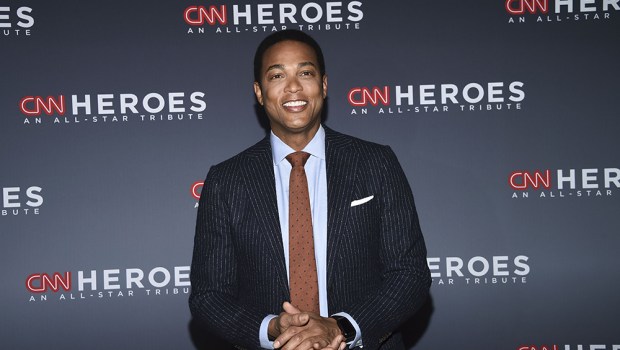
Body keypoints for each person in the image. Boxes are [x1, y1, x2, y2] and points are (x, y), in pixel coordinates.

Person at [189, 29, 431, 350]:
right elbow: (209, 297)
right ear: (259, 93)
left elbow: (410, 274)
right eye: (277, 75)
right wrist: (274, 328)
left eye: (305, 72)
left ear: (324, 85)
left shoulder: (375, 162)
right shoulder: (226, 181)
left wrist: (340, 327)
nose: (293, 86)